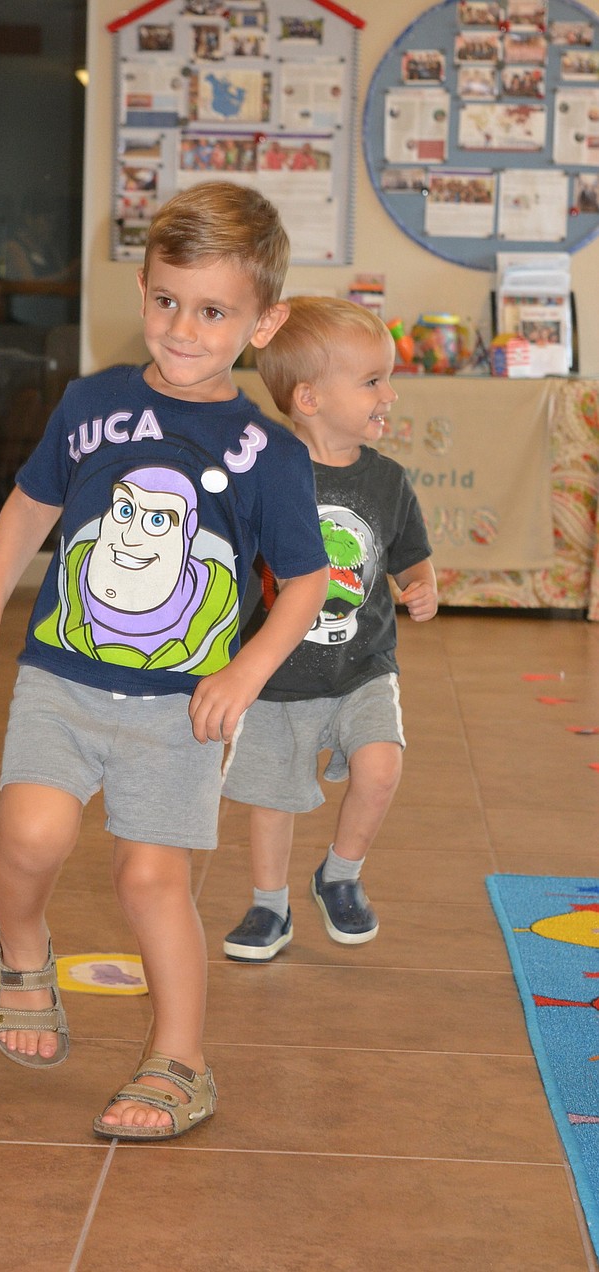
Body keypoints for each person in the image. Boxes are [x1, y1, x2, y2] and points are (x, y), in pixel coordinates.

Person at [0, 183, 329, 1143]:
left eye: (213, 311)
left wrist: (244, 675)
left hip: (180, 708)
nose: (183, 329)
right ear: (145, 291)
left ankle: (181, 1061)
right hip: (61, 680)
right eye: (166, 300)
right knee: (31, 834)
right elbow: (34, 504)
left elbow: (311, 584)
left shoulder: (269, 452)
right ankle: (22, 947)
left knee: (150, 880)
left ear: (262, 320)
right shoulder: (89, 402)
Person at [221, 296, 438, 962]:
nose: (389, 394)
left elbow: (409, 551)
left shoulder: (389, 481)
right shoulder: (264, 475)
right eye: (372, 380)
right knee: (271, 799)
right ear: (310, 397)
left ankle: (339, 873)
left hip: (363, 665)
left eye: (387, 379)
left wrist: (421, 583)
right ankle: (269, 906)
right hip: (275, 673)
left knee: (381, 766)